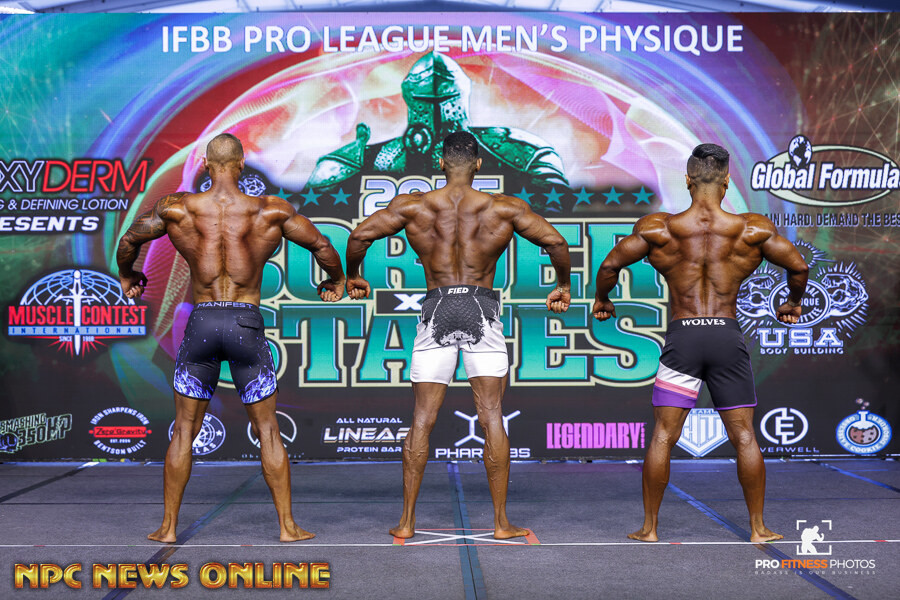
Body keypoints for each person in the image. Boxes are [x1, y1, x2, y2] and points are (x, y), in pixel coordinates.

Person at [116, 133, 346, 543]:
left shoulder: (177, 208)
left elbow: (129, 240)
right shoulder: (270, 210)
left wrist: (128, 275)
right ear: (241, 164)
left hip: (202, 324)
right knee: (268, 430)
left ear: (206, 165)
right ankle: (287, 527)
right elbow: (323, 245)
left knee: (185, 430)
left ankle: (168, 528)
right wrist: (336, 280)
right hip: (245, 324)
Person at [345, 131, 571, 539]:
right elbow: (555, 241)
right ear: (479, 164)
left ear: (441, 162)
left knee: (422, 418)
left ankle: (407, 522)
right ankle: (501, 523)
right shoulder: (503, 208)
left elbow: (359, 235)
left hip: (436, 308)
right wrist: (563, 285)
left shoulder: (413, 206)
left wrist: (354, 276)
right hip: (481, 307)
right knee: (491, 415)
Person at [592, 143, 808, 543]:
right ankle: (758, 529)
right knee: (744, 436)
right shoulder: (752, 229)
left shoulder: (660, 228)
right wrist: (792, 303)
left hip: (684, 338)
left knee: (663, 434)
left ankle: (650, 529)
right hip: (725, 336)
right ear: (726, 181)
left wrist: (603, 299)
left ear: (688, 181)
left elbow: (610, 265)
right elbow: (798, 266)